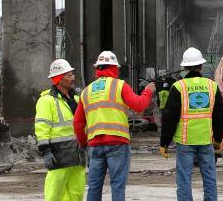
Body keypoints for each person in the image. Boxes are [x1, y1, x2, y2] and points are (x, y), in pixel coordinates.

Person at [73, 50, 155, 201]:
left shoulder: (86, 91)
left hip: (95, 145)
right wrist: (148, 92)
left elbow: (78, 123)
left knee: (94, 186)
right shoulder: (120, 86)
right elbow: (139, 105)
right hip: (118, 143)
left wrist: (84, 143)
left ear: (97, 68)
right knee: (117, 185)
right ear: (115, 68)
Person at [159, 47, 223, 201]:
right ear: (201, 66)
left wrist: (164, 142)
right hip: (206, 141)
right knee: (209, 179)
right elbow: (220, 116)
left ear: (184, 68)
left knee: (184, 179)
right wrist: (218, 140)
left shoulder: (178, 87)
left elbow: (169, 118)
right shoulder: (212, 86)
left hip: (185, 142)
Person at [35, 58, 85, 201]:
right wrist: (45, 150)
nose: (72, 78)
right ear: (58, 79)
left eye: (72, 75)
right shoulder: (47, 100)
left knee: (76, 193)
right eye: (68, 75)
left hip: (78, 154)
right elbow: (42, 126)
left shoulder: (76, 98)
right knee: (54, 193)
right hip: (59, 155)